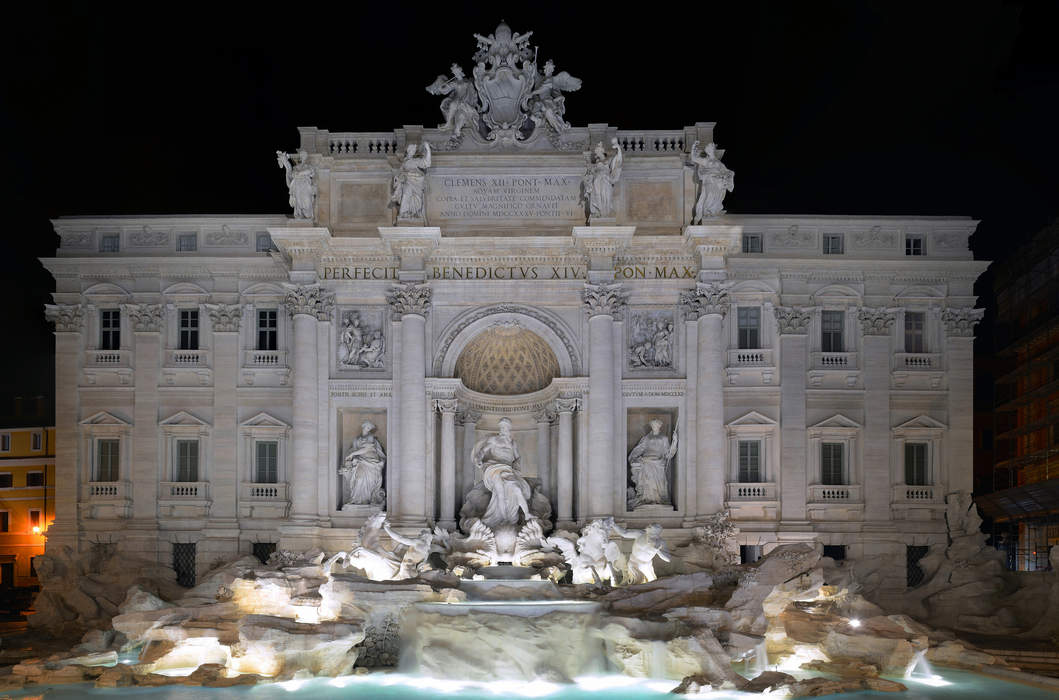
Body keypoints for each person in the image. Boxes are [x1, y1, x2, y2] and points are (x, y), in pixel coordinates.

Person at [471, 417, 533, 529]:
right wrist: (479, 459)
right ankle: (504, 519)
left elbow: (517, 457)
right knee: (500, 492)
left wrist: (517, 469)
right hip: (494, 468)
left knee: (517, 489)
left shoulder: (512, 443)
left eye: (506, 427)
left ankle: (527, 514)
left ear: (509, 428)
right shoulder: (494, 440)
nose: (504, 429)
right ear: (500, 428)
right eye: (503, 427)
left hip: (508, 469)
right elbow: (482, 451)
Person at [628, 419, 678, 507]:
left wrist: (674, 442)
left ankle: (657, 499)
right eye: (653, 425)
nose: (654, 427)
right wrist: (633, 458)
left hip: (658, 463)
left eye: (656, 425)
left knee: (657, 482)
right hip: (646, 461)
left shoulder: (664, 438)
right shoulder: (647, 438)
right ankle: (647, 499)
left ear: (659, 426)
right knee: (647, 480)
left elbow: (668, 454)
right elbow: (639, 449)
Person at [340, 421, 386, 505]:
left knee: (367, 480)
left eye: (370, 428)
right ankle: (357, 500)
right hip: (360, 461)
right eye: (367, 427)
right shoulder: (357, 439)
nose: (368, 429)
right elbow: (353, 449)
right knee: (359, 479)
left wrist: (352, 454)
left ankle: (367, 500)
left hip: (371, 461)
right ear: (363, 427)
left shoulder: (370, 437)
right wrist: (351, 457)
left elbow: (367, 449)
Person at [688, 141, 734, 222]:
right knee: (709, 195)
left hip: (718, 184)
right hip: (709, 182)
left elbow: (727, 172)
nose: (707, 149)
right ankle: (707, 212)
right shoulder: (706, 160)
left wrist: (726, 176)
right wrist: (693, 147)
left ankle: (712, 212)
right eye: (707, 148)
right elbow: (693, 158)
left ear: (712, 149)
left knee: (716, 197)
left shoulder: (719, 163)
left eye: (708, 147)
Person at [390, 142, 431, 220]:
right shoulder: (405, 162)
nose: (413, 152)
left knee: (417, 198)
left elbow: (427, 163)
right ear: (409, 151)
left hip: (418, 181)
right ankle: (404, 213)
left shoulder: (416, 161)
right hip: (408, 180)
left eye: (414, 150)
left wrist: (428, 149)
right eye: (412, 150)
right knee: (406, 194)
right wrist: (397, 177)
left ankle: (415, 213)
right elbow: (400, 172)